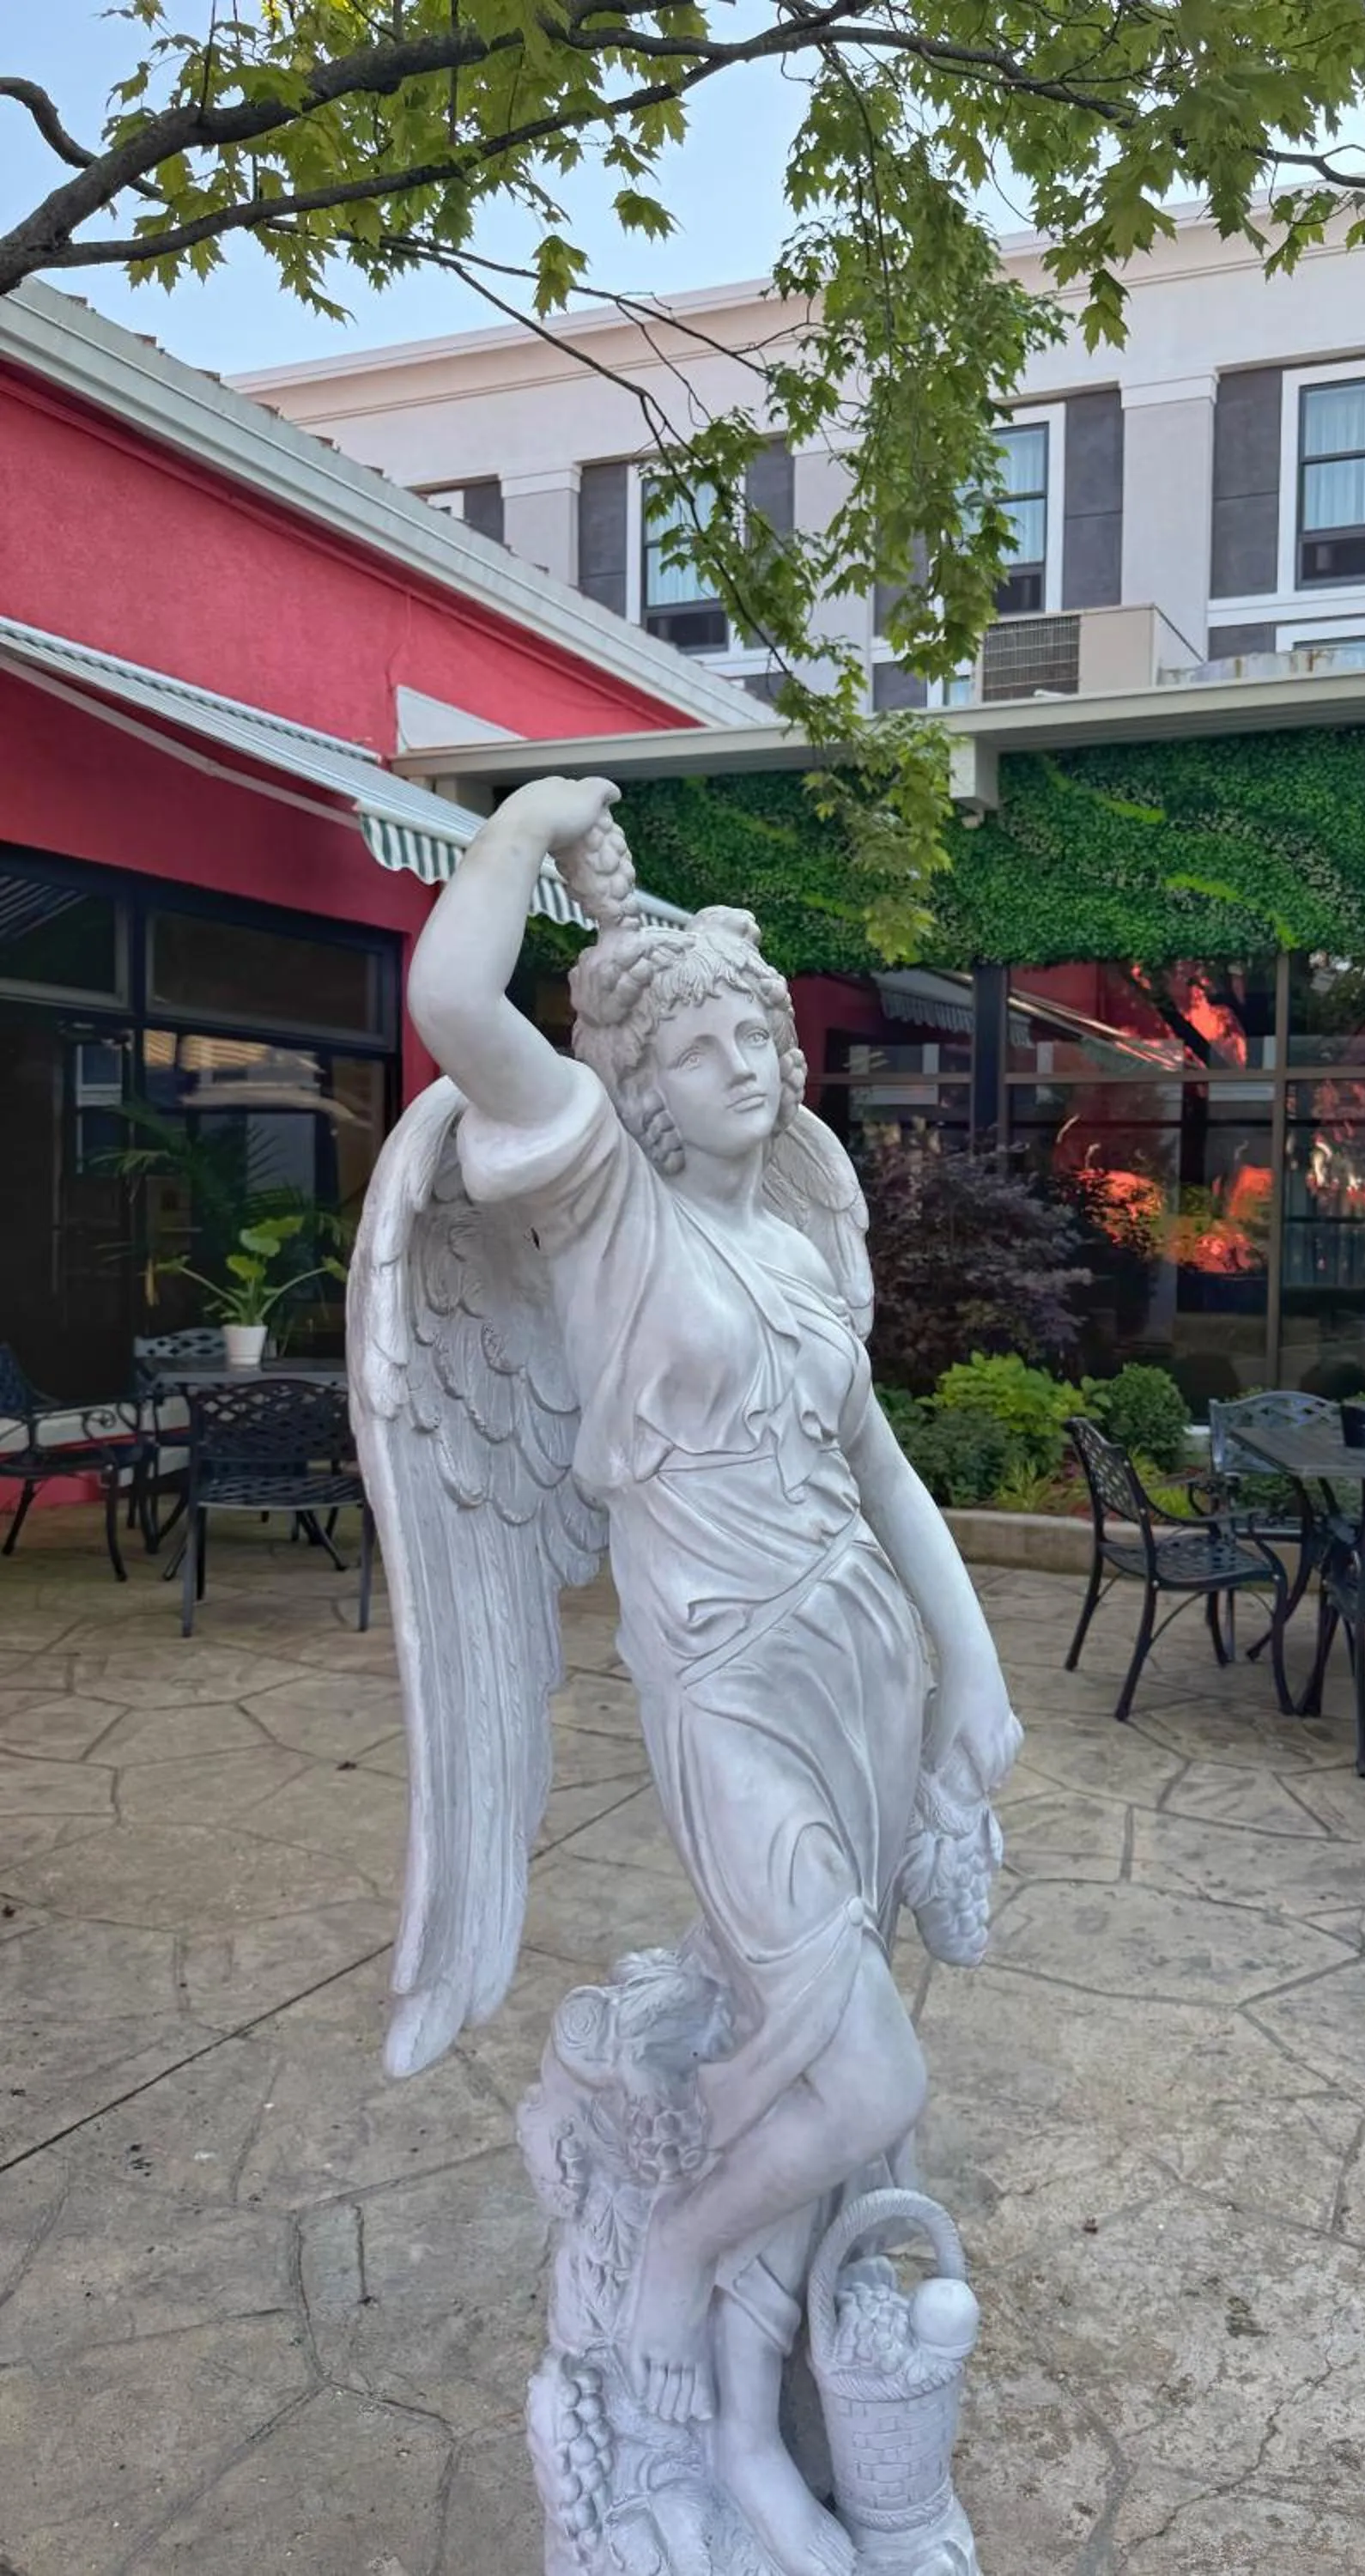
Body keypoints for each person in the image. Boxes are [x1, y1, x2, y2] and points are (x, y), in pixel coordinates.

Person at [397, 776, 1022, 2576]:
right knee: (859, 2072)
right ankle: (667, 2277)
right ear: (640, 1086)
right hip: (727, 1679)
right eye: (701, 1039)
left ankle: (756, 2440)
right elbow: (453, 1010)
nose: (748, 1054)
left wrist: (969, 1670)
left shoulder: (805, 1249)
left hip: (861, 1675)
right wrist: (519, 829)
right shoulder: (600, 1206)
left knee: (811, 2069)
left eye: (761, 1028)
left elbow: (885, 1473)